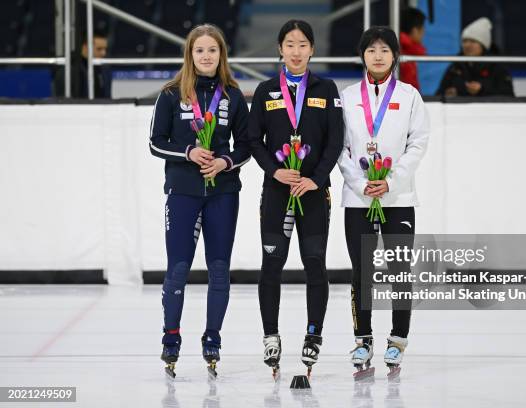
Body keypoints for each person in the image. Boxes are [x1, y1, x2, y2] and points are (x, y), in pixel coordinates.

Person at [149, 24, 250, 378]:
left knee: (219, 270)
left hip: (223, 193)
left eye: (212, 50)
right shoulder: (171, 94)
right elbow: (155, 142)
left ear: (221, 55)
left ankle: (212, 339)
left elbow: (247, 146)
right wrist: (189, 152)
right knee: (178, 269)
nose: (206, 56)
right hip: (183, 194)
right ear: (189, 55)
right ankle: (171, 338)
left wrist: (224, 162)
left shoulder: (234, 96)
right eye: (199, 50)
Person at [248, 19, 344, 378]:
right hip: (276, 191)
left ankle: (313, 334)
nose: (296, 51)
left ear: (312, 50)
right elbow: (254, 140)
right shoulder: (266, 90)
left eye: (303, 44)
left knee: (315, 263)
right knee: (271, 264)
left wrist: (315, 180)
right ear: (280, 49)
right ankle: (270, 336)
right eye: (290, 44)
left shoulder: (327, 87)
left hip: (314, 192)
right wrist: (274, 172)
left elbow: (335, 140)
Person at [338, 26, 429, 374]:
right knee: (361, 272)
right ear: (362, 55)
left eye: (385, 50)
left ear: (395, 56)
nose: (378, 56)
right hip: (358, 197)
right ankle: (363, 341)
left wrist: (389, 183)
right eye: (371, 50)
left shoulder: (409, 96)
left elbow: (417, 144)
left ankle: (397, 341)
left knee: (399, 271)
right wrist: (362, 185)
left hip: (399, 197)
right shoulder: (347, 97)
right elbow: (340, 148)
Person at [436, 17, 514, 97]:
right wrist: (446, 94)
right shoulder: (455, 67)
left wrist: (482, 90)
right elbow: (438, 95)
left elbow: (509, 96)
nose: (467, 45)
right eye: (464, 41)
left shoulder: (498, 66)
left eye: (473, 41)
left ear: (483, 45)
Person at [399, 7, 427, 90]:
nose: (424, 32)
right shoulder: (405, 52)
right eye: (422, 28)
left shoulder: (401, 48)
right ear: (415, 30)